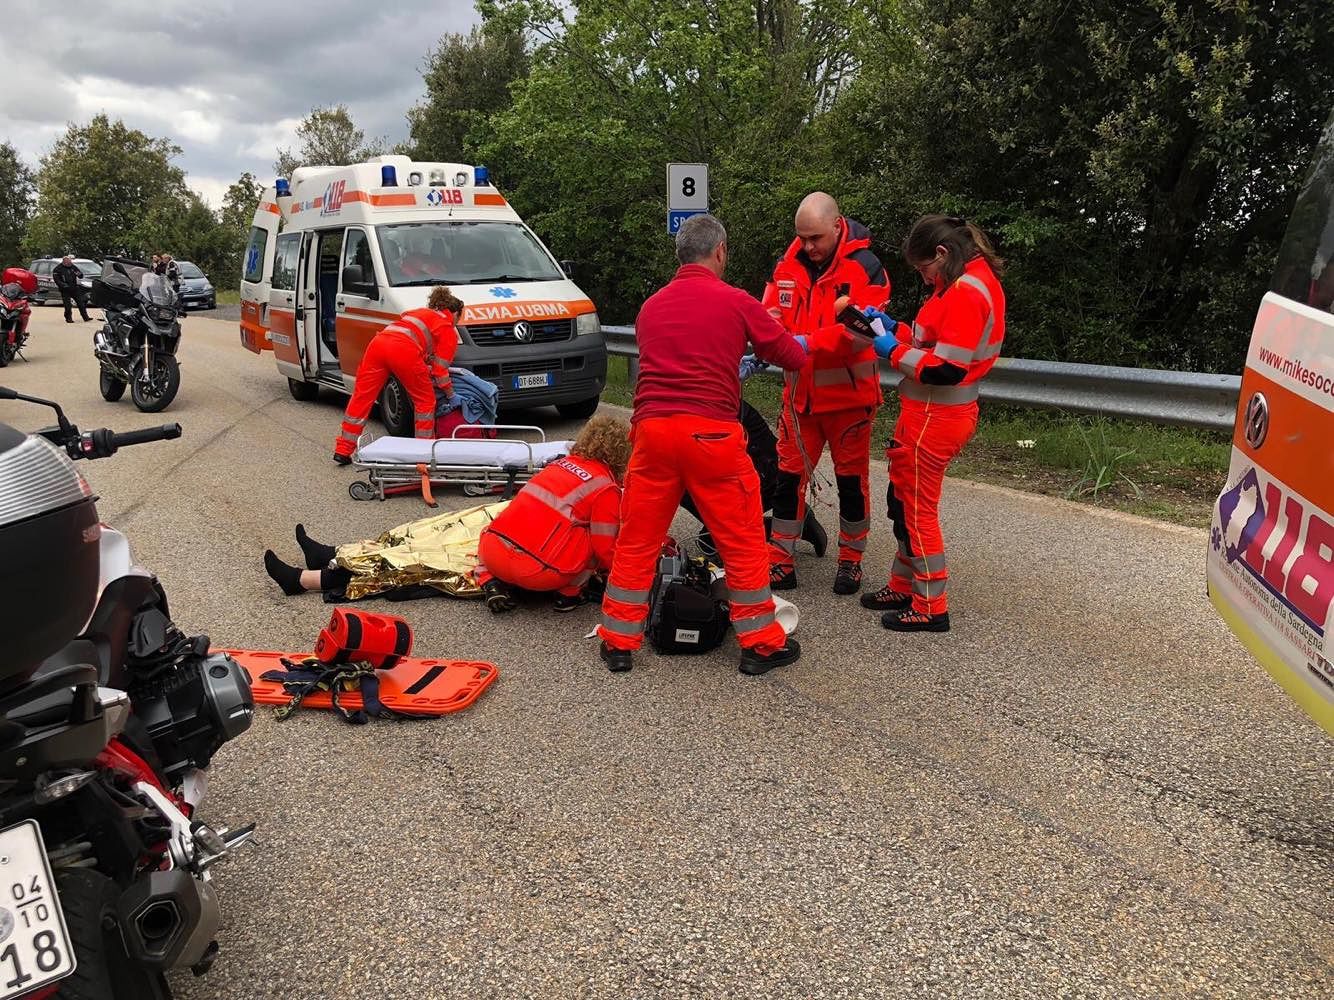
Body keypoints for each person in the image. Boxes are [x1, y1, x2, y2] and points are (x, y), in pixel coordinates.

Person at [598, 214, 809, 676]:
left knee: (637, 539)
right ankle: (760, 644)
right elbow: (789, 355)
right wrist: (795, 337)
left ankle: (617, 640)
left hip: (652, 434)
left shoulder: (651, 306)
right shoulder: (735, 301)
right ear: (720, 252)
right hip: (710, 435)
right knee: (743, 538)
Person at [859, 214, 1006, 632]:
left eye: (924, 269)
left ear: (942, 254)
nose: (924, 279)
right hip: (925, 413)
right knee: (903, 501)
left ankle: (929, 605)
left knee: (918, 509)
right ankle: (903, 585)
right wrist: (894, 330)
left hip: (937, 415)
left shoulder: (966, 291)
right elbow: (934, 343)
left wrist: (891, 351)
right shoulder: (960, 283)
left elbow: (947, 369)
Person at [762, 192, 889, 597]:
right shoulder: (786, 266)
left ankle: (851, 561)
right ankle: (779, 559)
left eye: (816, 238)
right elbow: (770, 314)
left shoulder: (867, 268)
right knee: (787, 481)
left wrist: (805, 343)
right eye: (802, 239)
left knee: (851, 484)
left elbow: (859, 333)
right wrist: (768, 341)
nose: (809, 247)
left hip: (849, 403)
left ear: (837, 227)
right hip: (799, 401)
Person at [477, 414, 633, 614]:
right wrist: (626, 575)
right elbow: (604, 549)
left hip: (492, 555)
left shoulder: (557, 465)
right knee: (592, 538)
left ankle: (489, 582)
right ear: (622, 453)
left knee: (502, 523)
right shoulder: (605, 487)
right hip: (538, 573)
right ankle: (568, 595)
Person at [332, 286, 461, 464]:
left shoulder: (418, 313)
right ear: (454, 313)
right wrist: (450, 394)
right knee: (425, 402)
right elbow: (440, 372)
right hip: (403, 351)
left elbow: (416, 338)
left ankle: (343, 450)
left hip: (378, 345)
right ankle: (424, 454)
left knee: (362, 398)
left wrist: (424, 360)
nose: (457, 323)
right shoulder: (447, 328)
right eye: (458, 319)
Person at [53, 255, 91, 323]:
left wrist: (79, 274)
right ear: (64, 262)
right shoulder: (57, 269)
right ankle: (68, 318)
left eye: (70, 262)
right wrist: (63, 285)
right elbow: (57, 280)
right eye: (68, 262)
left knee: (81, 303)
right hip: (65, 289)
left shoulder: (73, 267)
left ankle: (86, 317)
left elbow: (80, 275)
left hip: (74, 288)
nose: (70, 264)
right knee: (68, 305)